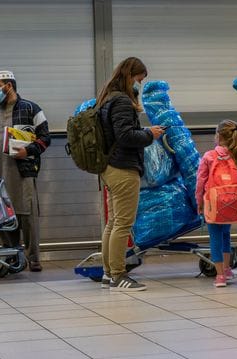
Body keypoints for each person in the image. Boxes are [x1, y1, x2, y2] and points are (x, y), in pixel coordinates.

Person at [97, 57, 165, 291]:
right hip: (123, 168)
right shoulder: (122, 101)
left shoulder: (106, 98)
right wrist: (149, 134)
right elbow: (125, 136)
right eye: (138, 79)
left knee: (113, 223)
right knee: (123, 224)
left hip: (108, 167)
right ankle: (118, 275)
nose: (139, 84)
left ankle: (108, 273)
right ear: (129, 75)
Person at [0, 70, 50, 272]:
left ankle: (34, 258)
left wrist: (28, 151)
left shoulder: (32, 109)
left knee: (27, 215)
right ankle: (11, 255)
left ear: (9, 86)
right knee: (4, 216)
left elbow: (45, 138)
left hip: (23, 172)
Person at [195, 120, 237, 287]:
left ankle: (220, 276)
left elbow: (200, 182)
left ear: (217, 136)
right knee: (225, 235)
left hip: (214, 203)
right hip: (232, 203)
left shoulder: (209, 156)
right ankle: (227, 268)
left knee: (215, 238)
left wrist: (199, 202)